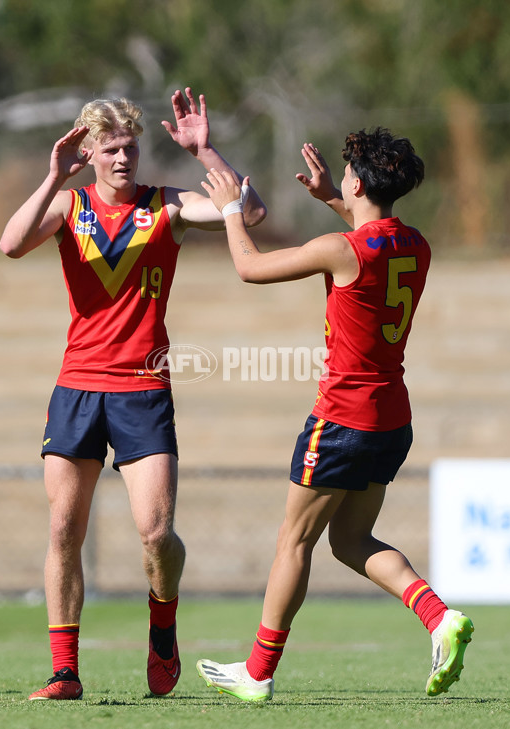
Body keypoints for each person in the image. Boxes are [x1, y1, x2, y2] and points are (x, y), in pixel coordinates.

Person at [0, 88, 266, 701]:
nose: (124, 158)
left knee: (155, 534)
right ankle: (65, 672)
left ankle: (163, 625)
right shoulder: (69, 206)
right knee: (64, 527)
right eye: (112, 149)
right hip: (77, 389)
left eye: (131, 147)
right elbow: (11, 245)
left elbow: (248, 212)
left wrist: (207, 151)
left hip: (144, 390)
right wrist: (49, 178)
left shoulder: (166, 206)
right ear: (89, 151)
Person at [195, 129, 473, 701]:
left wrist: (229, 210)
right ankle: (440, 618)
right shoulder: (416, 244)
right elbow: (368, 238)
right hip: (391, 419)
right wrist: (334, 198)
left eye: (347, 172)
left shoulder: (339, 248)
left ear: (359, 182)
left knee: (293, 543)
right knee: (350, 541)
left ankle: (258, 672)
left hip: (342, 418)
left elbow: (249, 268)